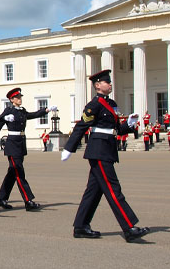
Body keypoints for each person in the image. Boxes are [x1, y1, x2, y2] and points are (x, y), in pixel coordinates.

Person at [62, 69, 149, 242]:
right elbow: (82, 126)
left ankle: (81, 227)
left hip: (107, 148)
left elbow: (116, 128)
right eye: (106, 82)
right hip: (98, 149)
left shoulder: (112, 103)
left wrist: (129, 124)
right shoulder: (93, 105)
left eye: (110, 81)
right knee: (112, 188)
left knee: (93, 191)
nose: (110, 84)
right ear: (97, 85)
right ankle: (129, 228)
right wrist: (69, 148)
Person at [0, 87, 51, 211]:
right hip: (12, 145)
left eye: (20, 97)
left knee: (12, 173)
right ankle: (28, 200)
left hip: (20, 144)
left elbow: (31, 115)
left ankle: (1, 199)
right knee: (19, 172)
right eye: (17, 97)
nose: (20, 99)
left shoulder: (22, 111)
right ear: (11, 100)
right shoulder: (8, 111)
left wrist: (46, 110)